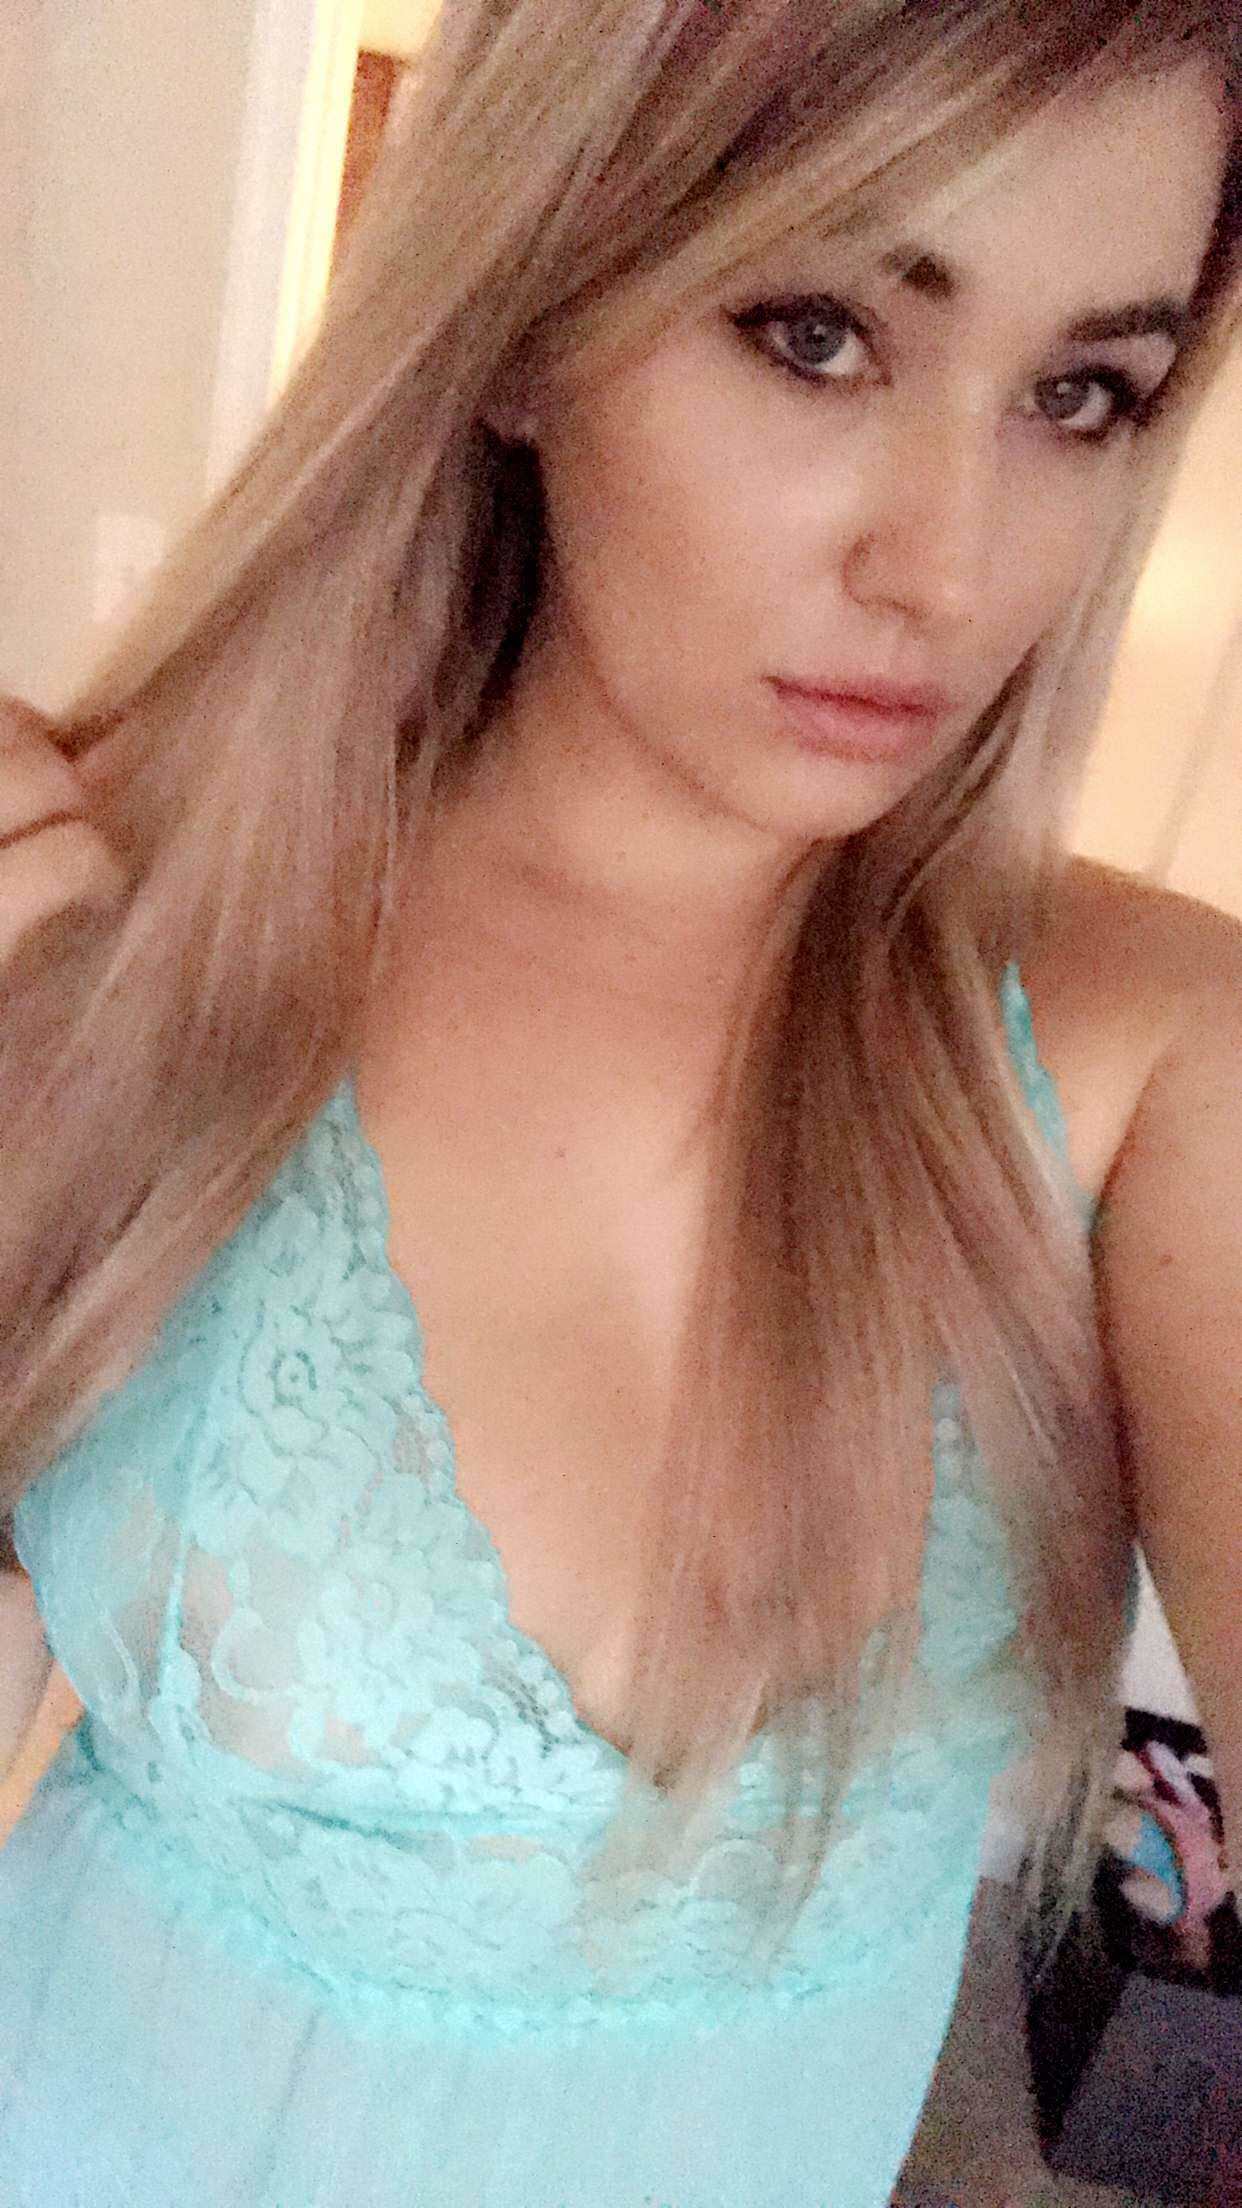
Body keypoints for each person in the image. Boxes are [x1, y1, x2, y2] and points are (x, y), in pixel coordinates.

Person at [0, 1, 1239, 2201]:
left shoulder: (1148, 1057)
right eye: (817, 336)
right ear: (522, 320)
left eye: (1080, 393)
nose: (948, 570)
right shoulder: (117, 931)